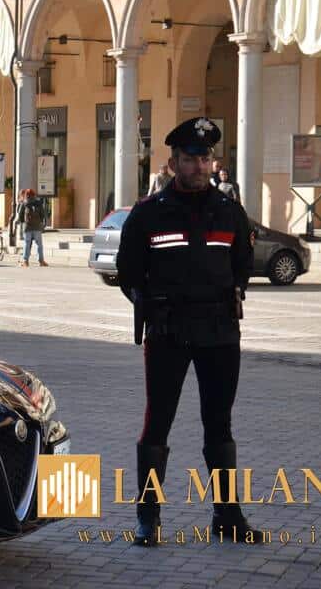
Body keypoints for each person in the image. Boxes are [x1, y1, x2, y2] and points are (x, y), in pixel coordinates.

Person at [116, 117, 256, 547]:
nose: (199, 166)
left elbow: (243, 267)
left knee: (220, 423)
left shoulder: (230, 211)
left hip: (219, 332)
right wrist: (154, 304)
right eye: (190, 159)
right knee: (158, 424)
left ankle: (227, 515)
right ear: (173, 163)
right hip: (169, 332)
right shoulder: (148, 214)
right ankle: (148, 517)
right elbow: (128, 273)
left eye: (206, 158)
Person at [15, 188, 50, 267]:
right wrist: (41, 223)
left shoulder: (24, 203)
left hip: (27, 227)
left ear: (26, 195)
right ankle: (41, 261)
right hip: (37, 227)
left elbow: (20, 216)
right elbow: (42, 215)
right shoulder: (38, 203)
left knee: (27, 244)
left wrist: (22, 223)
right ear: (34, 195)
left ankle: (25, 261)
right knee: (39, 245)